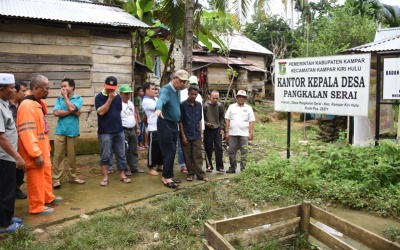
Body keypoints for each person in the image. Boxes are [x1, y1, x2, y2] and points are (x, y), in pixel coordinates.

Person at [17, 75, 61, 215]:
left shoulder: (35, 102)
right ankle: (37, 206)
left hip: (43, 148)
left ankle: (47, 198)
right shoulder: (27, 106)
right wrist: (35, 153)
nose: (48, 92)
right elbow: (26, 132)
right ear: (36, 88)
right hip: (35, 151)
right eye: (46, 89)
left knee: (46, 174)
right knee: (36, 178)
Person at [153, 69, 188, 188]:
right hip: (165, 124)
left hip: (174, 124)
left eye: (184, 82)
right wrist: (158, 109)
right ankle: (167, 178)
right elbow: (161, 100)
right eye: (181, 81)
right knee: (170, 150)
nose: (182, 84)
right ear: (174, 78)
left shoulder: (177, 90)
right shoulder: (166, 90)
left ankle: (167, 176)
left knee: (171, 151)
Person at [0, 73, 26, 233]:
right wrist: (17, 157)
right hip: (4, 157)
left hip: (7, 156)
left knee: (6, 189)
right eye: (11, 87)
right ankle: (5, 224)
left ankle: (7, 217)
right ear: (1, 89)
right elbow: (1, 138)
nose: (14, 90)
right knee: (6, 191)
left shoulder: (4, 103)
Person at [95, 76, 131, 186]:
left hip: (118, 130)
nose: (111, 90)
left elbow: (118, 111)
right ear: (104, 85)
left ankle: (122, 174)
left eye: (113, 88)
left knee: (121, 153)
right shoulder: (99, 97)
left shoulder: (118, 98)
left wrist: (113, 98)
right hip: (105, 132)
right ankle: (105, 176)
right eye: (108, 88)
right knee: (105, 155)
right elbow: (101, 112)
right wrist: (110, 99)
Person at [52, 78, 84, 189]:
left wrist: (66, 98)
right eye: (62, 86)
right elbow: (56, 112)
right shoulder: (58, 99)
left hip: (73, 131)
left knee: (72, 156)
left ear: (72, 87)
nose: (63, 88)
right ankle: (56, 179)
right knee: (58, 156)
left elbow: (72, 108)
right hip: (60, 131)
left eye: (65, 86)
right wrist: (73, 111)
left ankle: (73, 177)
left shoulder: (78, 99)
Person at [179, 86, 208, 182]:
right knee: (187, 155)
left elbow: (200, 120)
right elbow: (181, 121)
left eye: (195, 94)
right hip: (186, 134)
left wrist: (201, 133)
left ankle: (200, 174)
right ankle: (190, 173)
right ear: (188, 94)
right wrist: (183, 135)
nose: (193, 96)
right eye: (192, 94)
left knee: (198, 155)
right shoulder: (182, 105)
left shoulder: (199, 105)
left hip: (196, 134)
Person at [225, 90, 255, 173]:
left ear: (245, 98)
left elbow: (251, 121)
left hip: (244, 134)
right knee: (231, 151)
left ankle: (243, 168)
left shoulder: (249, 108)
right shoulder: (231, 107)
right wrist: (227, 132)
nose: (241, 98)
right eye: (239, 97)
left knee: (244, 152)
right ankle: (232, 168)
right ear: (237, 97)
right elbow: (227, 119)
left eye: (243, 97)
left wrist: (251, 133)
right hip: (232, 133)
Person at [119, 84, 143, 175]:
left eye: (129, 94)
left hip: (132, 128)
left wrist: (137, 127)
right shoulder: (118, 104)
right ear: (121, 94)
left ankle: (134, 167)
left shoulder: (131, 103)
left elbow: (135, 115)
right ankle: (125, 168)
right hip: (123, 129)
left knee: (133, 149)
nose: (128, 95)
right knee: (124, 150)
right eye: (126, 94)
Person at [9, 81, 27, 199]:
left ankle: (17, 187)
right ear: (15, 91)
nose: (25, 93)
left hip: (22, 140)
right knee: (10, 165)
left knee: (21, 165)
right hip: (9, 142)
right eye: (23, 91)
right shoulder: (6, 105)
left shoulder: (24, 105)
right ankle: (9, 189)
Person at [142, 82, 162, 176]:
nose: (154, 90)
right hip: (153, 128)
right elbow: (160, 107)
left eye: (155, 89)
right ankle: (150, 167)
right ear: (147, 90)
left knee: (160, 148)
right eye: (152, 89)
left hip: (160, 127)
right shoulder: (146, 101)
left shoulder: (155, 98)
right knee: (153, 149)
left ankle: (159, 164)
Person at [204, 90, 225, 173]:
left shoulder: (220, 106)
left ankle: (219, 166)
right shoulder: (205, 106)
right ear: (210, 97)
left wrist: (222, 128)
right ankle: (209, 166)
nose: (215, 100)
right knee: (208, 148)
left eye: (217, 98)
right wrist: (206, 124)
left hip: (217, 129)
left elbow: (222, 118)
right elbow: (202, 118)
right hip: (208, 130)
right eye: (213, 98)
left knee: (219, 148)